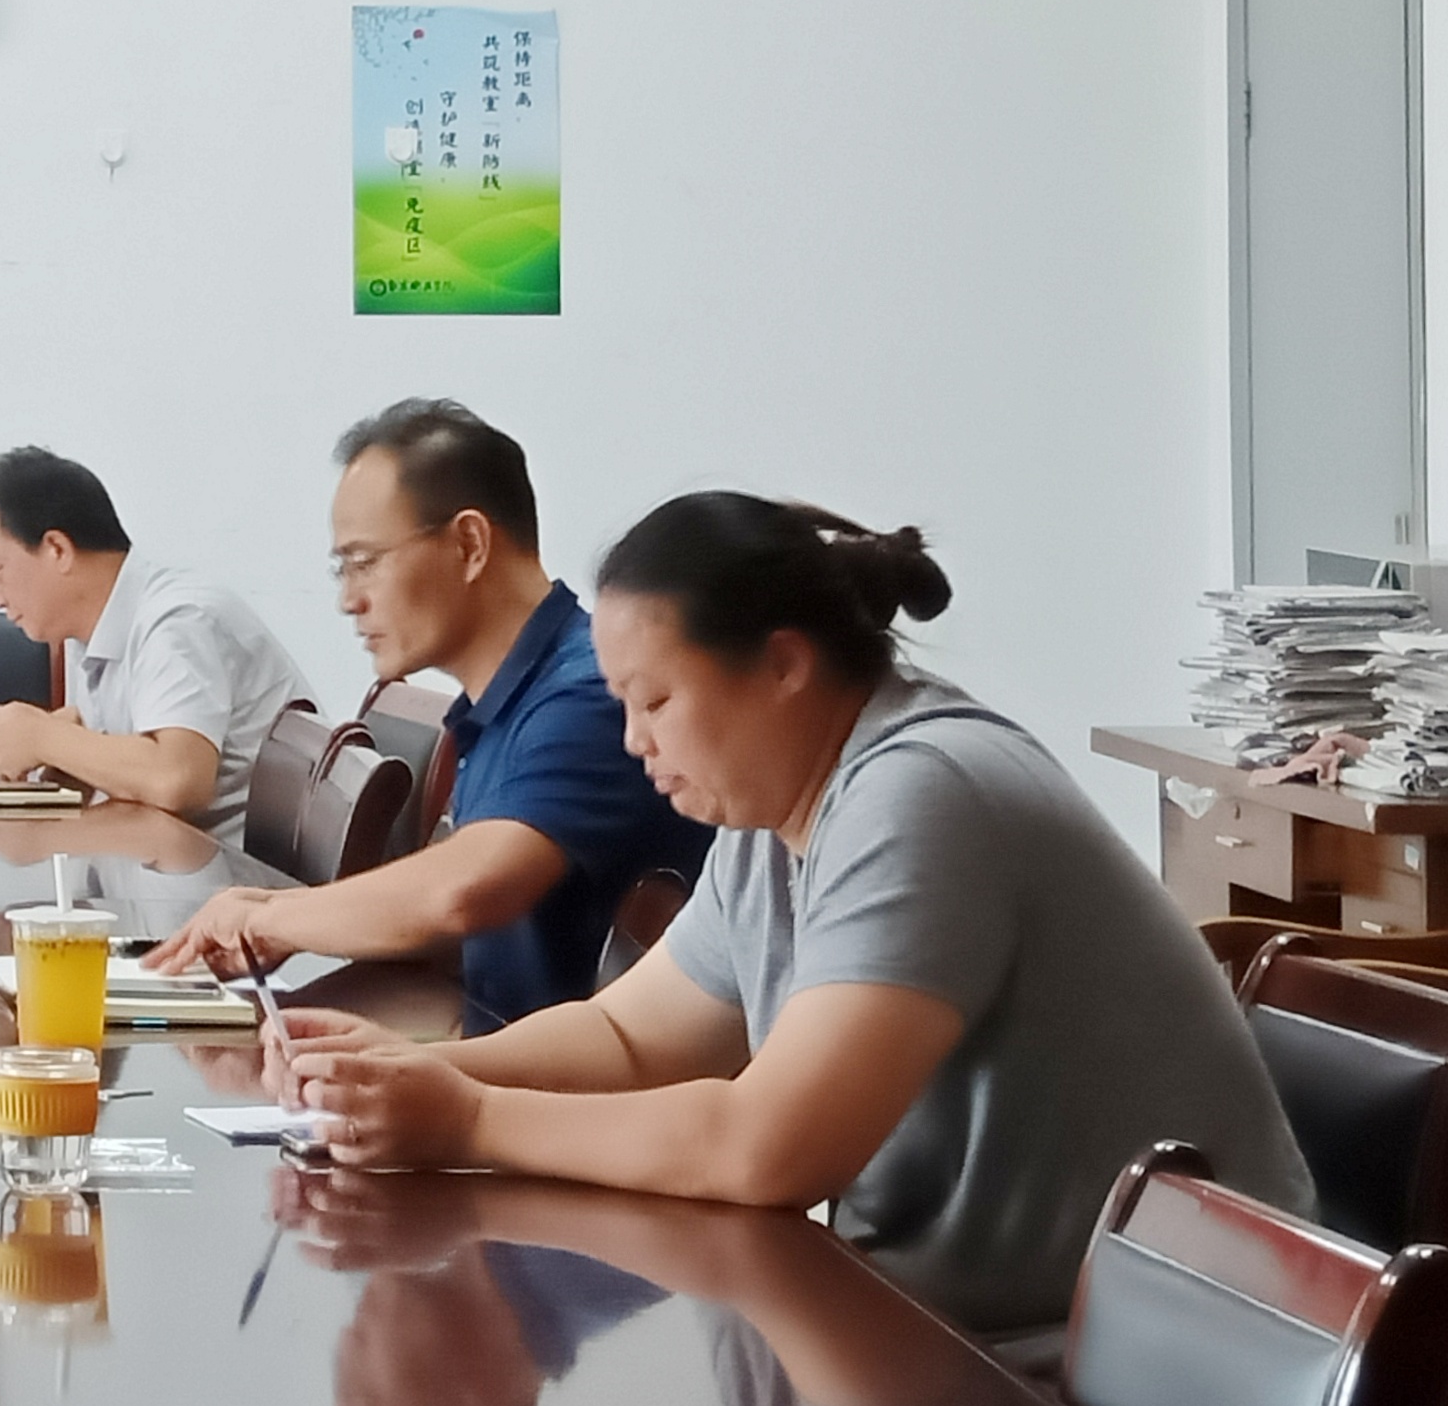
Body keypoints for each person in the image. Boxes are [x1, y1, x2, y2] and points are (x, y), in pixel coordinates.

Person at [277, 492, 1313, 1337]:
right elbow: (631, 1037)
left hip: (1156, 1381)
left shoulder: (921, 792)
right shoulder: (771, 819)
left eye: (655, 701)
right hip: (984, 1339)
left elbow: (766, 1148)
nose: (633, 740)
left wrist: (465, 1120)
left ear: (781, 664)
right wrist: (406, 1073)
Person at [152, 400, 709, 1020]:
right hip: (486, 1050)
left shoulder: (589, 696)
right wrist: (274, 920)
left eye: (364, 563)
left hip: (550, 1072)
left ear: (469, 544)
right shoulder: (502, 699)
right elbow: (461, 933)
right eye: (341, 569)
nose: (348, 600)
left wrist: (273, 920)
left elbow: (464, 892)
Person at [0, 445, 313, 847]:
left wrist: (41, 737)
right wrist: (48, 734)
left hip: (246, 875)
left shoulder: (177, 620)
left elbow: (177, 779)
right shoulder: (98, 628)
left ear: (57, 549)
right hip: (177, 865)